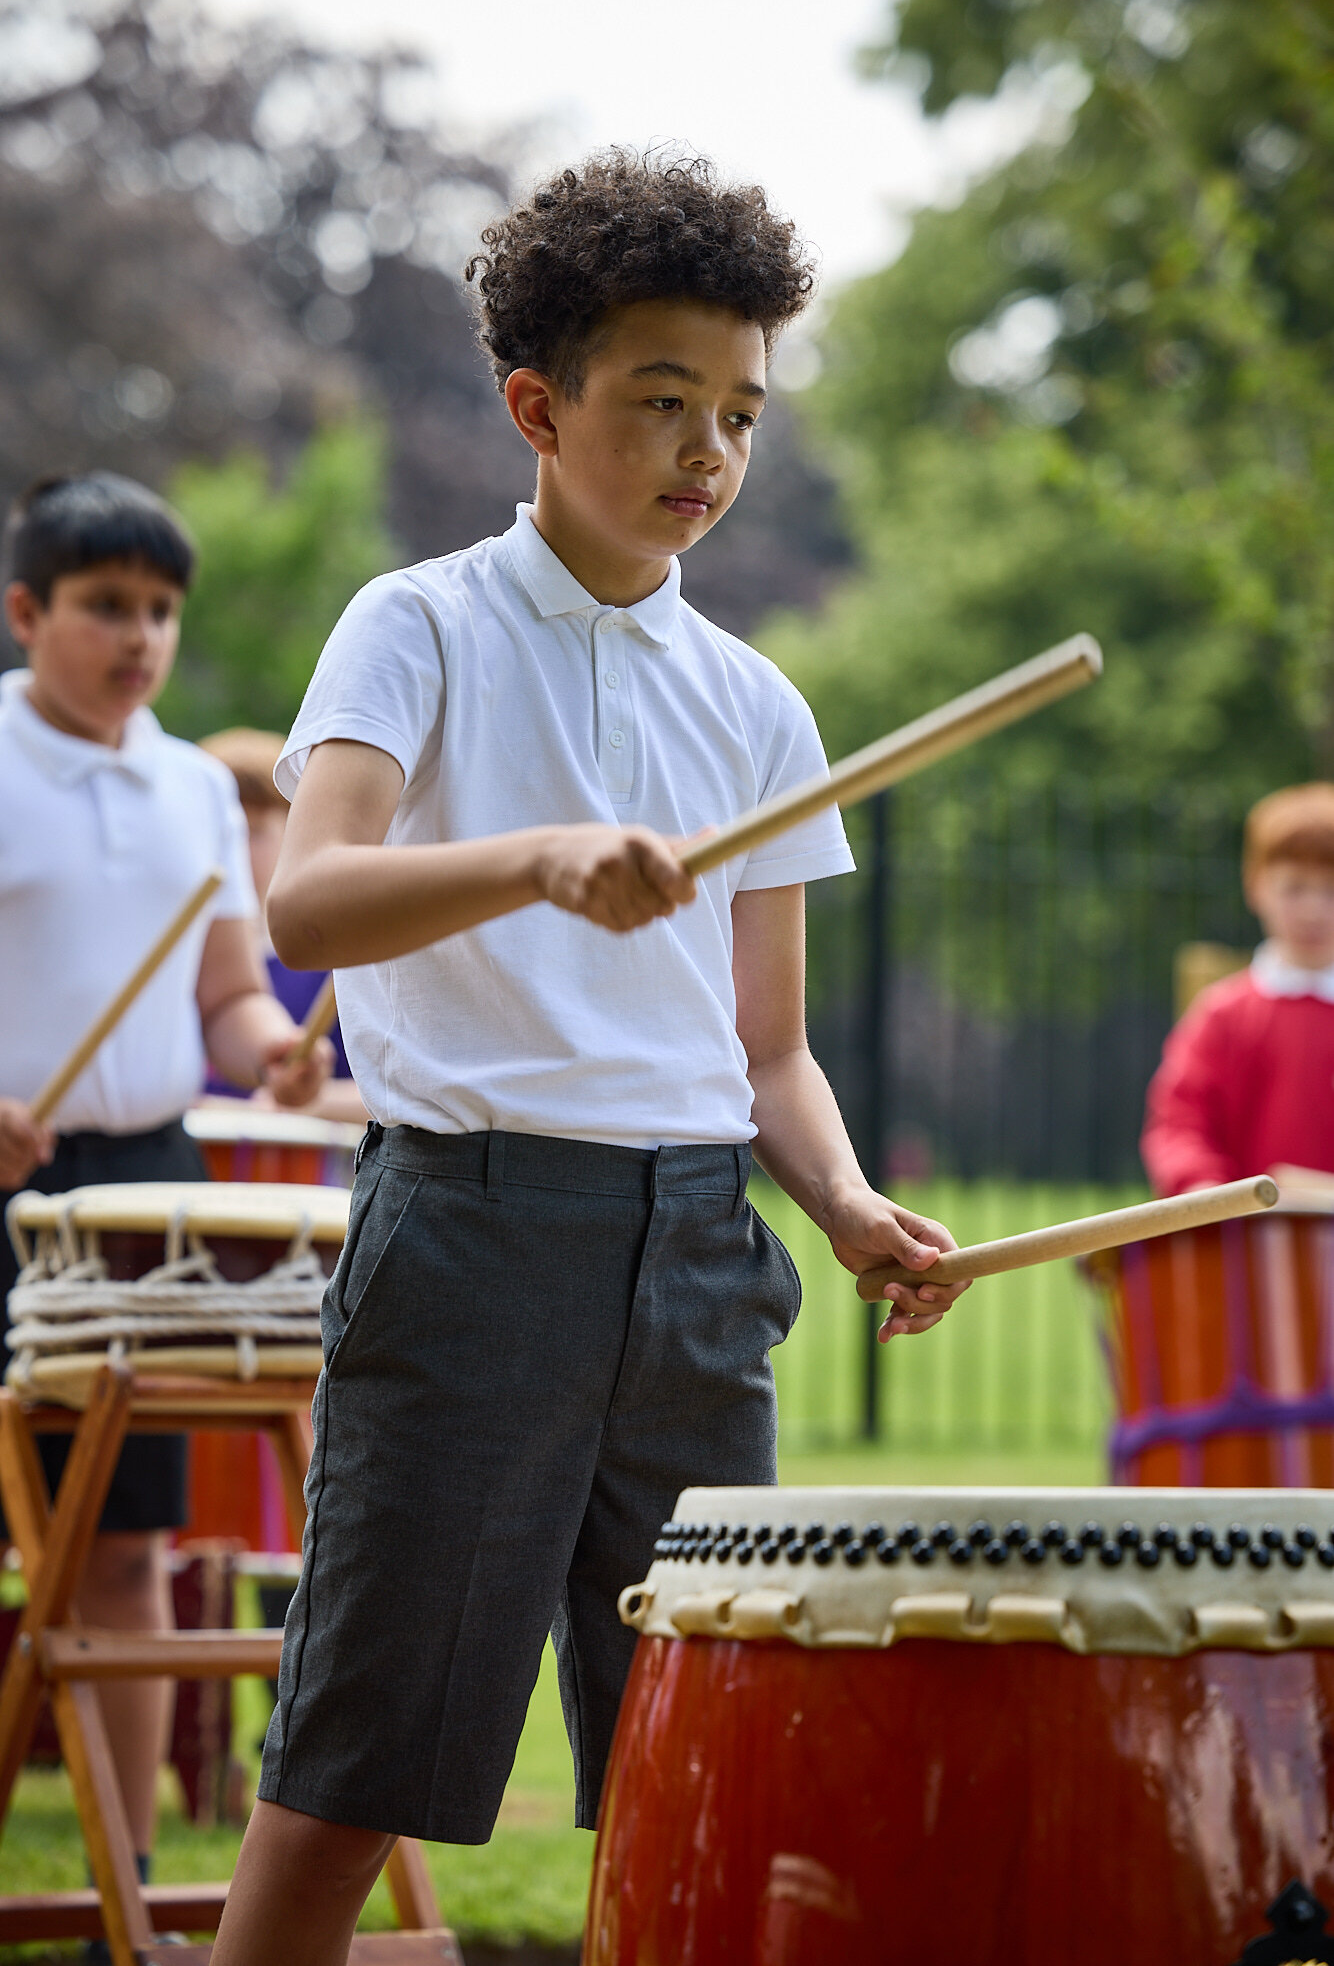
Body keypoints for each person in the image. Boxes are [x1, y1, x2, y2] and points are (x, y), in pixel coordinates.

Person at [211, 151, 967, 1966]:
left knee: (695, 1751)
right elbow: (308, 904)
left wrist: (848, 1203)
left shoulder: (757, 704)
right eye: (659, 401)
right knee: (358, 1759)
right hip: (469, 1242)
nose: (705, 449)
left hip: (700, 1267)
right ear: (534, 407)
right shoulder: (418, 626)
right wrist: (538, 861)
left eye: (738, 412)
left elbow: (765, 1047)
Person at [0, 472, 331, 1890]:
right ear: (28, 613)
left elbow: (224, 1001)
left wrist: (274, 1058)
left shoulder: (200, 785)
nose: (140, 638)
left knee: (129, 1545)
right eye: (107, 607)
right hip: (8, 1176)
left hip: (137, 1190)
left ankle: (119, 1878)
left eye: (161, 612)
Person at [1143, 782, 1334, 1195]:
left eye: (1331, 889)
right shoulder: (1223, 1014)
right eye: (1295, 887)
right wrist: (1206, 1192)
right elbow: (1180, 1125)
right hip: (1245, 1248)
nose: (1314, 909)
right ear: (1255, 886)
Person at [198, 727, 366, 1123]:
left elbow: (394, 1093)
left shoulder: (337, 962)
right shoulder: (179, 958)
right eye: (224, 833)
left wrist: (310, 1100)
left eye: (253, 833)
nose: (234, 849)